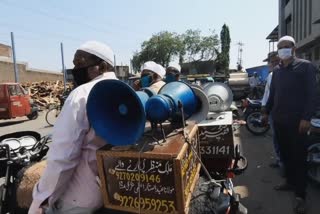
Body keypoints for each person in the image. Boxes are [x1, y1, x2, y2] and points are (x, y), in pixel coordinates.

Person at [28, 41, 118, 214]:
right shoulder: (122, 91)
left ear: (102, 66)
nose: (75, 69)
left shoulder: (82, 94)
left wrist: (42, 199)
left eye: (80, 63)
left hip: (76, 197)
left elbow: (64, 155)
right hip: (107, 187)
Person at [263, 35, 317, 214]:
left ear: (294, 48)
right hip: (279, 121)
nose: (283, 49)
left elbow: (312, 95)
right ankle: (290, 183)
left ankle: (301, 196)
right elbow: (273, 95)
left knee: (299, 158)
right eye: (280, 47)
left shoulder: (305, 67)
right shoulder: (277, 71)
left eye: (286, 46)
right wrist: (266, 111)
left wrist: (306, 118)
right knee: (285, 154)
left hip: (297, 123)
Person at [261, 52, 281, 168]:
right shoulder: (271, 75)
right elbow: (267, 93)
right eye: (272, 61)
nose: (274, 63)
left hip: (285, 112)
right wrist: (264, 108)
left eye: (276, 61)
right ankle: (279, 160)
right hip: (273, 110)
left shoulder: (286, 74)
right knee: (276, 137)